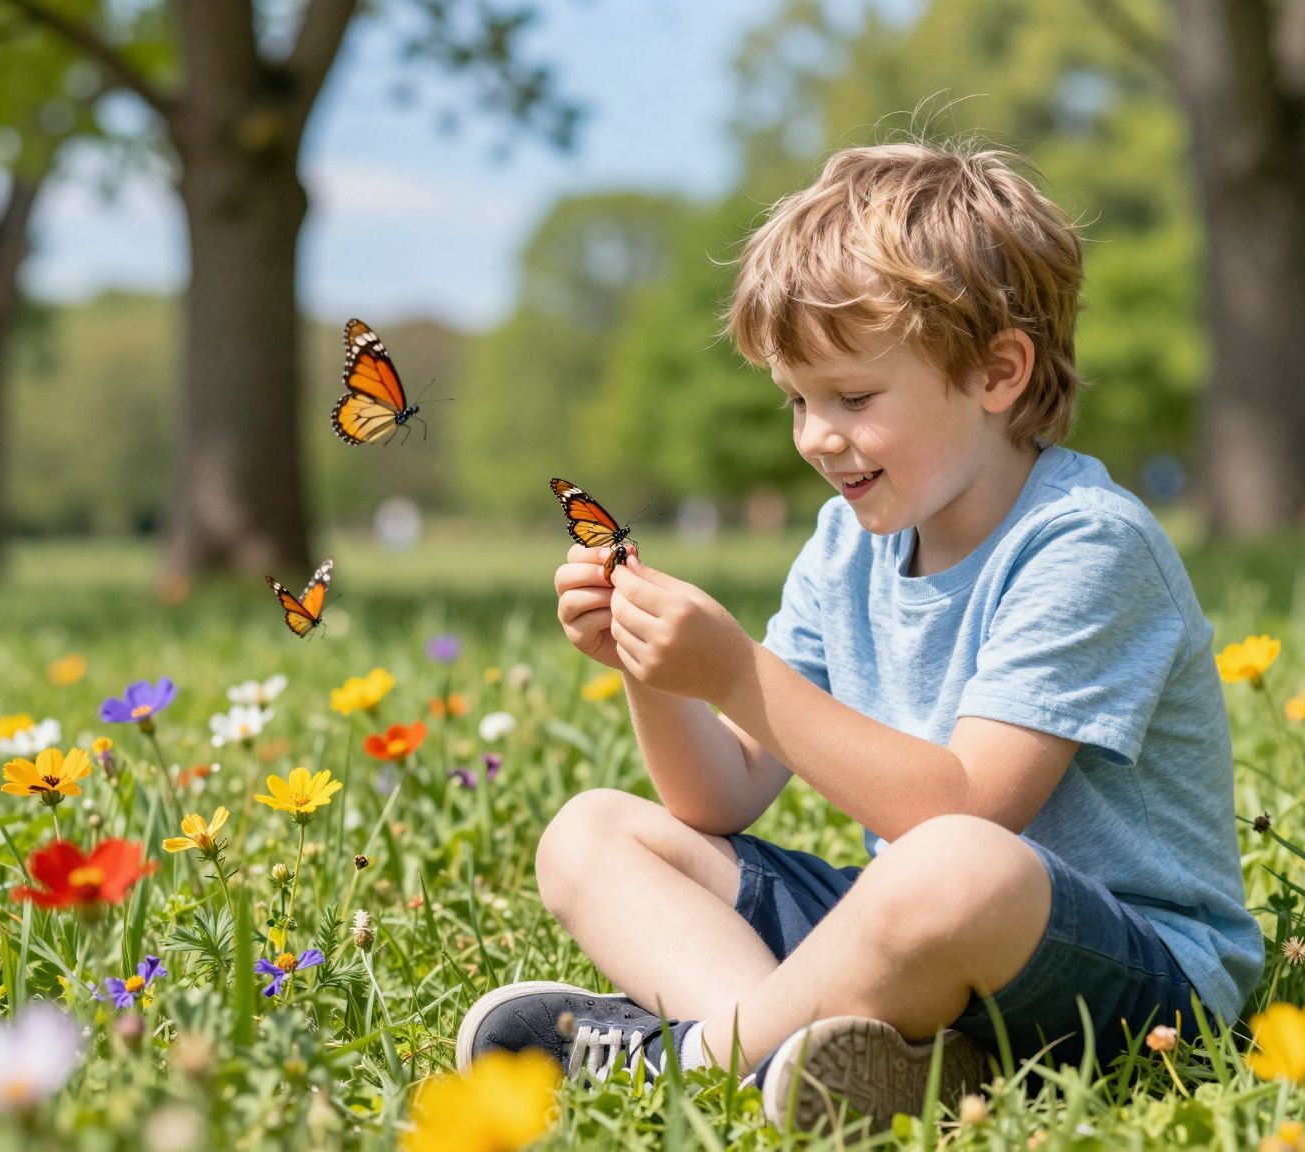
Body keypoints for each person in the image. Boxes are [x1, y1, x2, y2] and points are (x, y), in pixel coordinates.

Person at [454, 141, 1263, 1130]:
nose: (813, 438)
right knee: (591, 834)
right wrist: (656, 670)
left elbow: (963, 807)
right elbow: (719, 794)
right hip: (919, 926)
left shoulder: (1085, 545)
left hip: (1136, 977)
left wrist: (738, 673)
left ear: (995, 372)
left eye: (852, 398)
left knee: (949, 866)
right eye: (795, 399)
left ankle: (695, 1061)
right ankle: (862, 1059)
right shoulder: (847, 544)